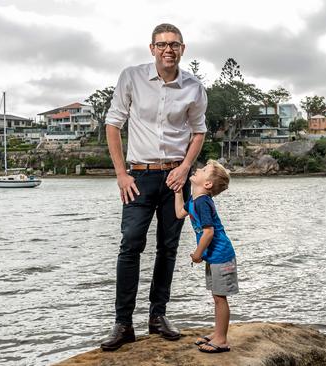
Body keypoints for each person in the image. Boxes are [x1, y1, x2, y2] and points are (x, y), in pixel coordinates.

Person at [100, 23, 207, 352]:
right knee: (130, 245)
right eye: (161, 45)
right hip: (139, 178)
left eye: (174, 44)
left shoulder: (194, 87)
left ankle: (157, 317)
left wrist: (186, 168)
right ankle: (123, 324)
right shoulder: (131, 77)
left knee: (168, 247)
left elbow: (199, 131)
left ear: (182, 49)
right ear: (152, 48)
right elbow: (113, 124)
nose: (168, 50)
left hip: (176, 179)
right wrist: (121, 173)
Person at [174, 160, 238, 354]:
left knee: (220, 297)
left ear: (208, 184)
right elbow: (179, 213)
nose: (197, 169)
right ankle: (218, 332)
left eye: (203, 170)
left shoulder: (202, 202)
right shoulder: (194, 201)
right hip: (214, 256)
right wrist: (178, 190)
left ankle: (221, 340)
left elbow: (208, 232)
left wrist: (197, 254)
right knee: (216, 296)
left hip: (221, 256)